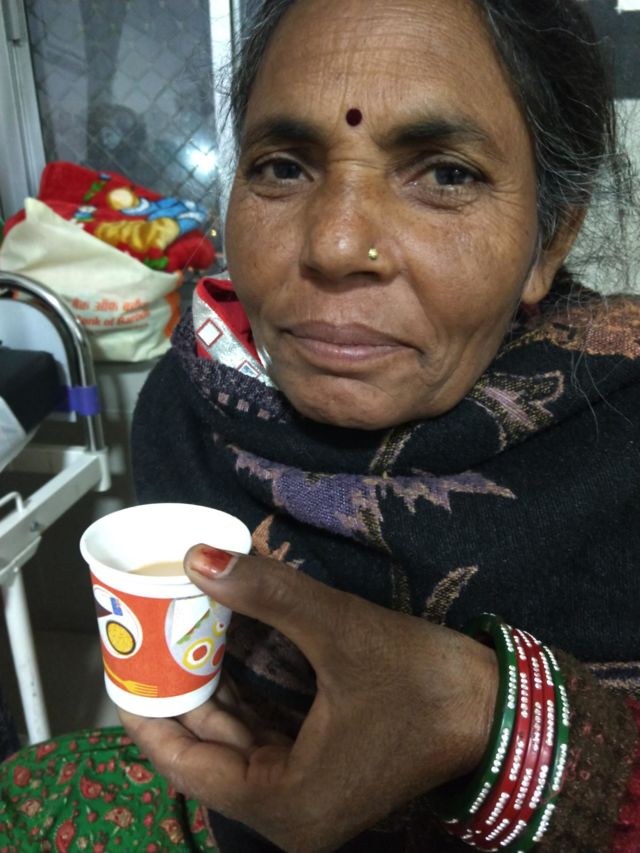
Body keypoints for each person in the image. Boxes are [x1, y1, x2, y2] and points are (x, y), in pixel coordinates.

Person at [1, 0, 640, 850]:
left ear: (550, 239)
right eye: (284, 166)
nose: (336, 244)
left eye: (446, 174)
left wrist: (485, 717)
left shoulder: (621, 437)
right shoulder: (187, 410)